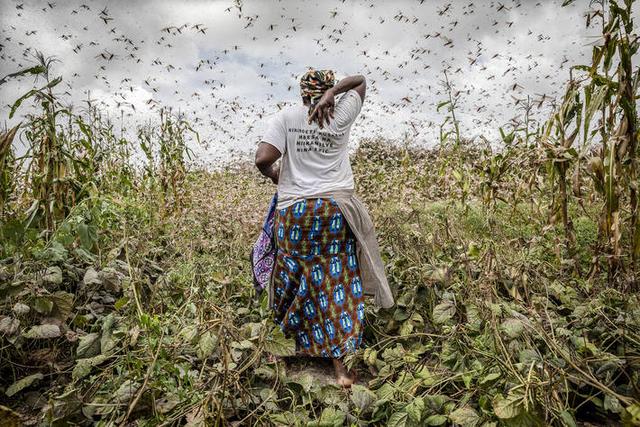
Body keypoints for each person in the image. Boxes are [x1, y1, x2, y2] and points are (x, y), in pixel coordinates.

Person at [254, 68, 393, 387]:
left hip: (295, 215)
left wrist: (278, 177)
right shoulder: (340, 113)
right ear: (328, 91)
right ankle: (342, 368)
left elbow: (263, 158)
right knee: (336, 280)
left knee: (289, 275)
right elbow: (360, 80)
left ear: (303, 92)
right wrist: (335, 94)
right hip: (334, 211)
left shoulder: (286, 117)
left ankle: (283, 350)